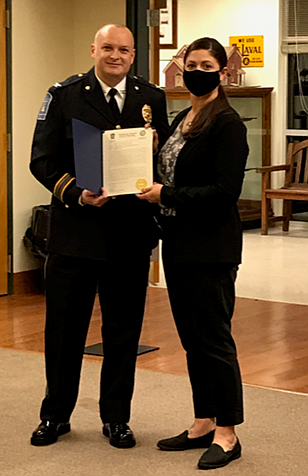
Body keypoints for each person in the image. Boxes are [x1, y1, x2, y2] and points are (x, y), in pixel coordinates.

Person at [30, 24, 169, 449]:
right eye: (108, 47)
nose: (116, 56)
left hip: (128, 235)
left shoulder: (151, 98)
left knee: (123, 332)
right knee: (64, 330)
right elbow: (42, 160)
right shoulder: (65, 94)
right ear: (94, 49)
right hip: (76, 232)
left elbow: (159, 160)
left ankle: (116, 418)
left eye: (124, 50)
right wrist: (76, 193)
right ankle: (55, 415)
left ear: (132, 56)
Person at [137, 37, 249, 470]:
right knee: (192, 341)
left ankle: (228, 432)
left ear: (221, 72)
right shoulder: (185, 116)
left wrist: (168, 193)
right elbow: (168, 163)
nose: (196, 71)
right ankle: (203, 421)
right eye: (191, 64)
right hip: (178, 245)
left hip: (211, 248)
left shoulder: (228, 124)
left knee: (215, 341)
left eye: (206, 65)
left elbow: (224, 193)